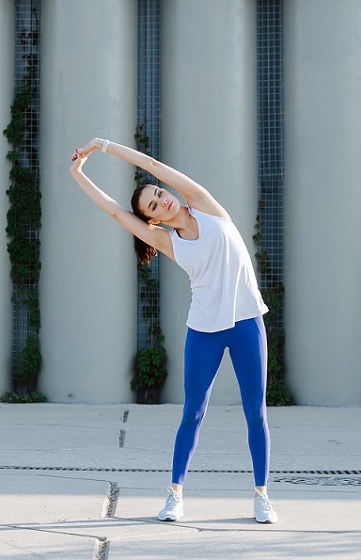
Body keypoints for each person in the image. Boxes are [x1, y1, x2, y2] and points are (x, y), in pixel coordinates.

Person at [69, 137, 277, 524]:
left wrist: (103, 145)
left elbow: (152, 163)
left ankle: (262, 496)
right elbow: (115, 212)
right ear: (154, 220)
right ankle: (174, 495)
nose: (162, 199)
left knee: (255, 412)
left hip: (247, 322)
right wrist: (77, 173)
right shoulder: (167, 240)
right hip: (204, 330)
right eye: (153, 205)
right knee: (192, 413)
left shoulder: (207, 206)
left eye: (159, 193)